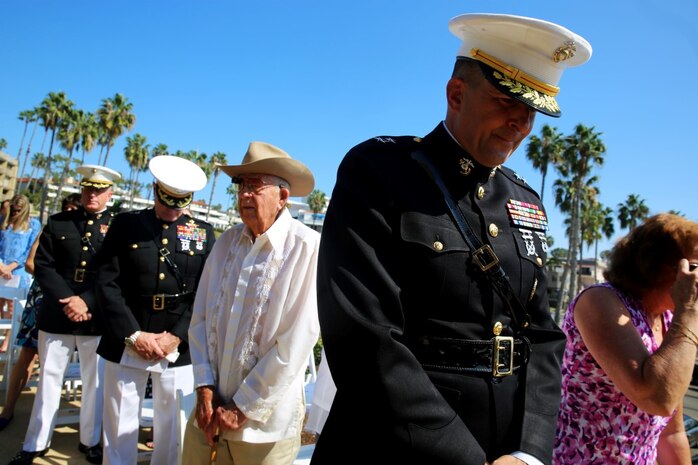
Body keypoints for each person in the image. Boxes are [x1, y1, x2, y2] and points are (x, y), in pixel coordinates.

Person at [313, 13, 592, 465]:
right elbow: (363, 337)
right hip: (393, 445)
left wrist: (529, 452)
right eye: (506, 101)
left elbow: (542, 336)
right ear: (456, 93)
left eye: (531, 112)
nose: (520, 124)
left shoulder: (526, 202)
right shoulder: (381, 173)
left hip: (504, 447)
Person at [183, 141, 320, 465]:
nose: (244, 194)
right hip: (208, 417)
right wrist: (204, 389)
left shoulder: (307, 248)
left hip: (264, 429)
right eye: (241, 185)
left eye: (255, 186)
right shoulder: (227, 242)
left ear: (283, 197)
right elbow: (200, 319)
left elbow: (296, 342)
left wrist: (241, 408)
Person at [96, 154, 215, 465]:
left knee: (172, 428)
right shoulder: (126, 225)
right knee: (120, 424)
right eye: (167, 202)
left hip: (177, 344)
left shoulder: (203, 233)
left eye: (180, 204)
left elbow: (206, 292)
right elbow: (106, 282)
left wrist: (176, 336)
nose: (173, 210)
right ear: (154, 190)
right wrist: (133, 334)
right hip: (128, 336)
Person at [554, 213, 698, 464]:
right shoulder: (600, 301)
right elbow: (657, 397)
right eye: (695, 268)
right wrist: (690, 312)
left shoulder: (667, 320)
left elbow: (672, 434)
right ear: (660, 265)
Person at [8, 167, 121, 465]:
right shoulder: (59, 222)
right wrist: (68, 299)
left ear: (110, 194)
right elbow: (43, 265)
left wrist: (86, 301)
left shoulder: (118, 227)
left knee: (94, 385)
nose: (92, 195)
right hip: (57, 314)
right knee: (48, 380)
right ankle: (35, 443)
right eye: (87, 189)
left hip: (95, 318)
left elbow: (115, 272)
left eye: (99, 190)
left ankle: (91, 441)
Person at [0, 193, 82, 432]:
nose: (68, 212)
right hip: (44, 297)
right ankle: (8, 410)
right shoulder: (51, 228)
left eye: (72, 209)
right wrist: (57, 282)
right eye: (65, 208)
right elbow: (30, 262)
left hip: (75, 304)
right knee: (27, 354)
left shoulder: (90, 234)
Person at [0, 194, 41, 352]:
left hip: (18, 271)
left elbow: (29, 250)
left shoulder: (33, 225)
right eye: (13, 210)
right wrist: (2, 266)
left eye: (18, 210)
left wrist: (11, 267)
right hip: (2, 267)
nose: (15, 213)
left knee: (13, 307)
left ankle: (8, 341)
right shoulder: (3, 221)